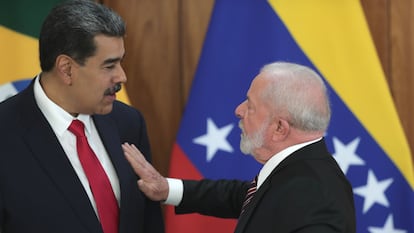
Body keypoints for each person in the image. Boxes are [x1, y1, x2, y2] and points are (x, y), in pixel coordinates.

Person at [122, 61, 356, 233]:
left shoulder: (317, 199)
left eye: (251, 106)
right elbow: (246, 197)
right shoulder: (298, 170)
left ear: (279, 128)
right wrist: (166, 189)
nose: (239, 110)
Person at [0, 1, 164, 233]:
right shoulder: (5, 132)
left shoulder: (128, 122)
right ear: (66, 69)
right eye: (109, 66)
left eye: (121, 62)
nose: (122, 76)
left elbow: (149, 223)